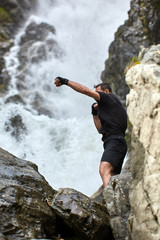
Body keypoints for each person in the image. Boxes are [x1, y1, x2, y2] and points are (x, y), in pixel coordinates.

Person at [54, 76, 127, 188]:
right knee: (112, 175)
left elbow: (85, 91)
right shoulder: (109, 107)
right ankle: (118, 202)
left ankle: (111, 202)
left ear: (106, 91)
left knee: (104, 169)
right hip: (113, 142)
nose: (96, 96)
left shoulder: (108, 98)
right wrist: (94, 113)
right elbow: (100, 130)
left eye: (98, 93)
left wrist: (66, 81)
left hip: (115, 141)